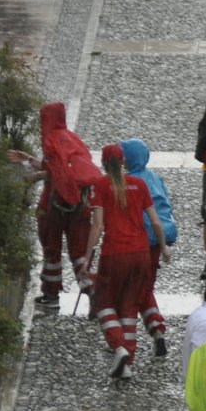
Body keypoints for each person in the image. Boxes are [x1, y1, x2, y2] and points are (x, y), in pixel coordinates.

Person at [84, 143, 171, 381]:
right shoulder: (140, 185)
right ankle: (126, 363)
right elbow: (155, 222)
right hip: (141, 253)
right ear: (123, 162)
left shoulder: (100, 186)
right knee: (130, 305)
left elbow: (98, 226)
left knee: (104, 303)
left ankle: (119, 346)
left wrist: (87, 258)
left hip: (114, 254)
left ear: (102, 163)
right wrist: (163, 247)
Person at [15, 102, 97, 309]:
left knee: (51, 251)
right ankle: (93, 290)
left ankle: (51, 295)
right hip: (80, 205)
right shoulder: (72, 138)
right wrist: (33, 160)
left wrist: (35, 176)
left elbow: (55, 171)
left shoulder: (50, 140)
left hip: (53, 206)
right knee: (79, 252)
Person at [120, 139, 175, 358]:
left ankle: (125, 342)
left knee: (131, 293)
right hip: (155, 245)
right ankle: (156, 330)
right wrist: (162, 246)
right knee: (144, 287)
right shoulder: (154, 179)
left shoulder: (128, 182)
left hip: (135, 244)